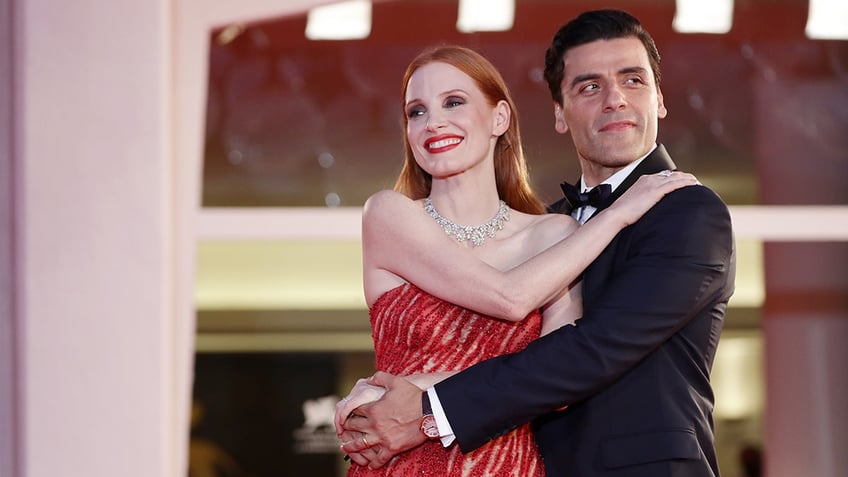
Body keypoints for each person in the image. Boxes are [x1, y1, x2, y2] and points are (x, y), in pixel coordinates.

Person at [338, 9, 735, 477]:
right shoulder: (554, 225)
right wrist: (384, 397)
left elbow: (590, 350)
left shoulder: (686, 211)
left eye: (632, 80)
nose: (614, 100)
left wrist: (424, 405)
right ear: (559, 114)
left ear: (659, 99)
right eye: (589, 86)